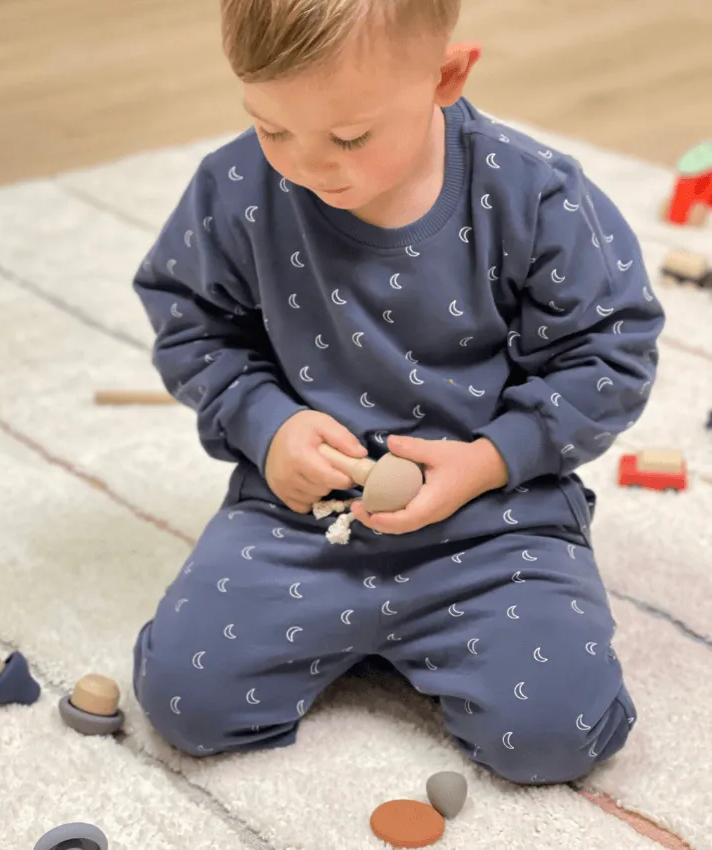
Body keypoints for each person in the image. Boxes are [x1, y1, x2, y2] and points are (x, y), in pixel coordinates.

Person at [129, 0, 664, 785]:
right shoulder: (239, 186)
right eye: (272, 127)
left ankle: (430, 637)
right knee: (186, 702)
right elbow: (190, 325)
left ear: (446, 76)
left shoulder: (532, 195)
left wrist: (491, 460)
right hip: (303, 518)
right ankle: (388, 640)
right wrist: (268, 426)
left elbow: (610, 355)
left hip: (494, 522)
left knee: (557, 734)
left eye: (348, 136)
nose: (307, 166)